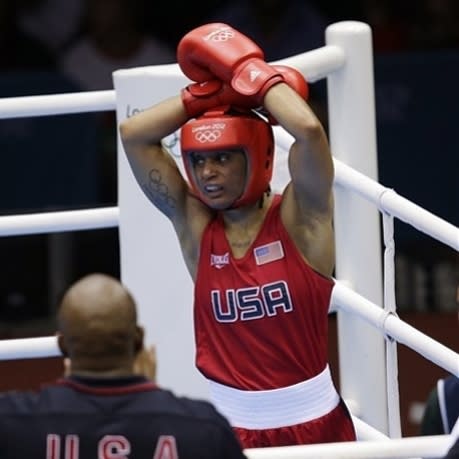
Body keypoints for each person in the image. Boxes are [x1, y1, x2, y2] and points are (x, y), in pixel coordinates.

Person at [119, 22, 356, 448]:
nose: (208, 173)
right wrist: (208, 96)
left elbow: (308, 131)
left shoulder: (301, 220)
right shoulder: (196, 227)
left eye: (223, 158)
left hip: (314, 423)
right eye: (199, 160)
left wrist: (255, 76)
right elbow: (134, 135)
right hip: (227, 431)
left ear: (259, 157)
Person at [0, 273, 247, 458]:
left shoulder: (12, 422)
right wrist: (154, 401)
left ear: (63, 346)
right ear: (138, 340)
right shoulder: (203, 427)